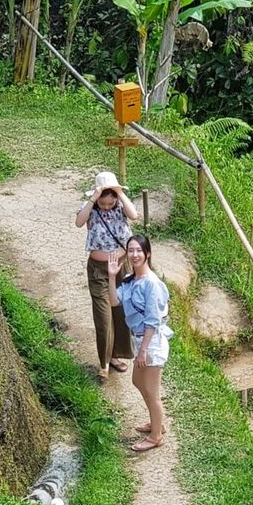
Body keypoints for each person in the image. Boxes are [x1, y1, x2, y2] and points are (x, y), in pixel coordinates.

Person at [107, 235, 172, 452]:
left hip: (151, 342)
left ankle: (156, 436)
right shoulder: (130, 279)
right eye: (131, 250)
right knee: (138, 381)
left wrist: (143, 351)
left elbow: (153, 320)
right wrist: (111, 276)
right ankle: (156, 423)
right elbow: (114, 302)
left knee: (151, 391)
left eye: (138, 251)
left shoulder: (151, 284)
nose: (134, 255)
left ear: (147, 254)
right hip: (140, 339)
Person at [75, 171, 137, 378]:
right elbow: (78, 222)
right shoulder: (91, 209)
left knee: (119, 312)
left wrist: (120, 192)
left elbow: (134, 215)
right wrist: (94, 197)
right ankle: (104, 362)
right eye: (103, 203)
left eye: (110, 203)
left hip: (121, 267)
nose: (107, 206)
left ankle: (115, 356)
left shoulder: (120, 208)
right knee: (103, 316)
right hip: (98, 269)